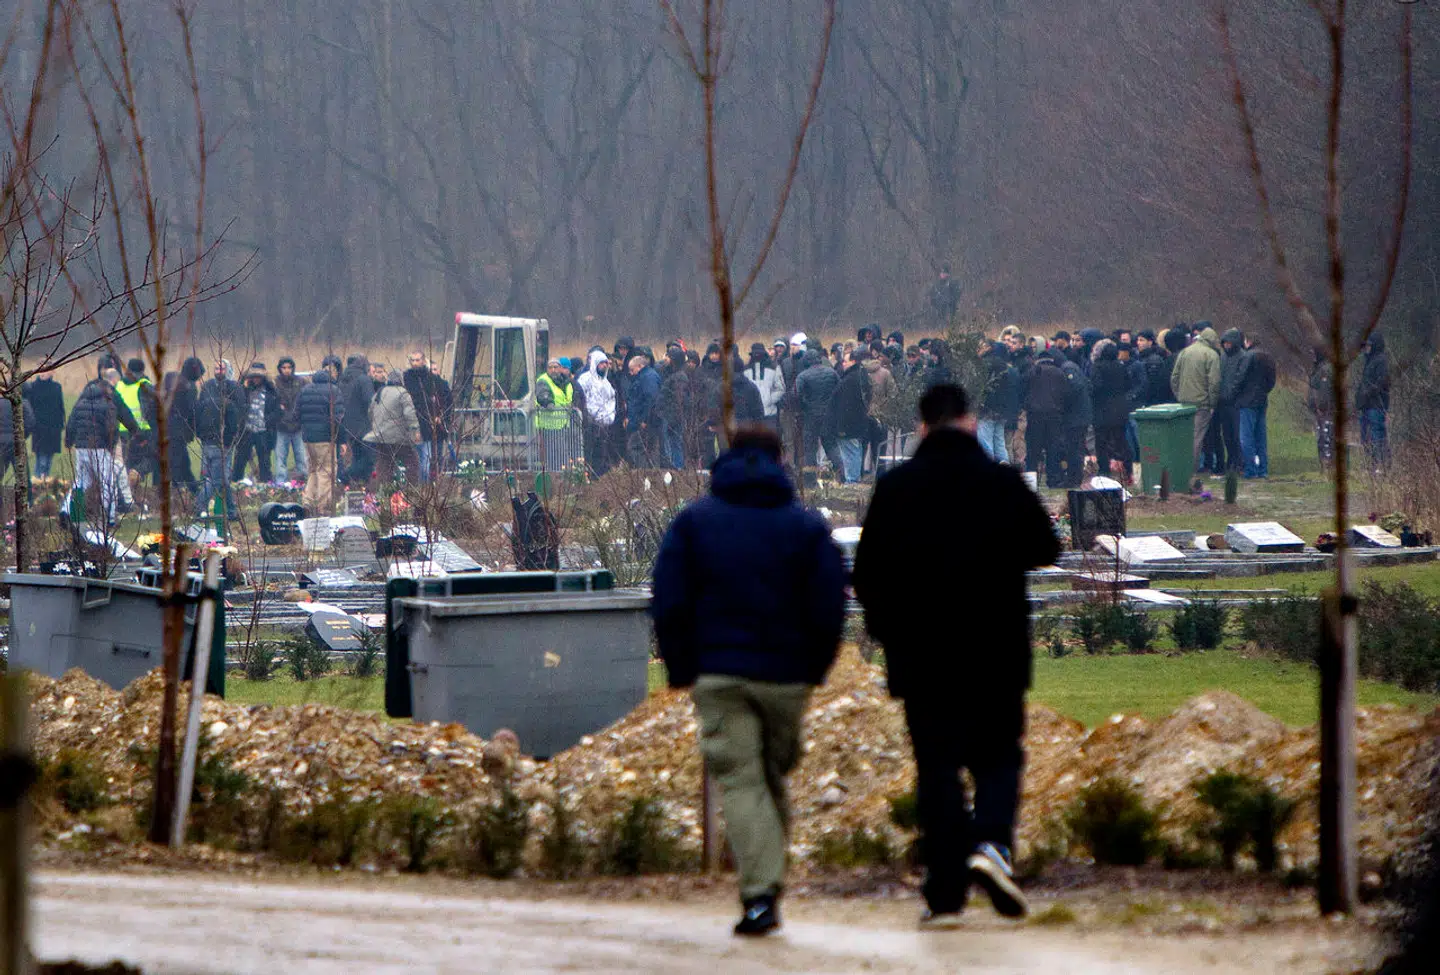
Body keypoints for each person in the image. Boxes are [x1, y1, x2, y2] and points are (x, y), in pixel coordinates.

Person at [854, 383, 1059, 927]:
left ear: (922, 427)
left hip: (923, 654)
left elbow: (867, 572)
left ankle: (944, 892)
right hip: (994, 648)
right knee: (998, 755)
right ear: (970, 422)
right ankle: (991, 843)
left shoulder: (897, 487)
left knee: (938, 769)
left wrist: (887, 630)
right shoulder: (999, 483)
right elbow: (1046, 546)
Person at [651, 424, 844, 936]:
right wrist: (818, 666)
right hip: (787, 675)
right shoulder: (806, 527)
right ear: (781, 461)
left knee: (745, 780)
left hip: (719, 672)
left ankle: (764, 888)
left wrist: (680, 666)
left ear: (726, 458)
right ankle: (762, 891)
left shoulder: (694, 523)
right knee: (765, 774)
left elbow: (669, 600)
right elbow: (829, 604)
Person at [64, 374, 122, 525]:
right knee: (106, 482)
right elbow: (112, 429)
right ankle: (109, 518)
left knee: (81, 481)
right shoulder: (106, 405)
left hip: (81, 449)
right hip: (100, 449)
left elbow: (71, 425)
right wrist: (111, 446)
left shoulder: (79, 404)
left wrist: (69, 443)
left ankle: (67, 510)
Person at [195, 358, 247, 519]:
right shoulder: (207, 387)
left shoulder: (235, 388)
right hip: (211, 441)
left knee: (221, 477)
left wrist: (233, 437)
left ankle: (230, 511)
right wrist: (201, 435)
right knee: (217, 478)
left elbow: (240, 414)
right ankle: (201, 505)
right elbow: (199, 413)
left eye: (222, 369)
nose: (219, 372)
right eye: (216, 369)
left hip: (226, 440)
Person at [1170, 325, 1221, 476]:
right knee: (1196, 439)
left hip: (1184, 402)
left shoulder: (1185, 352)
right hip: (1202, 404)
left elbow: (1174, 378)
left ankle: (1180, 467)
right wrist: (1212, 403)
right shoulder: (1212, 355)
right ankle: (1189, 472)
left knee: (1185, 437)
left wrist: (1179, 395)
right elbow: (1214, 382)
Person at [297, 359, 344, 513]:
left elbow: (297, 414)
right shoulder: (334, 391)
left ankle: (308, 502)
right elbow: (339, 418)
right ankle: (324, 506)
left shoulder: (305, 390)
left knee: (313, 470)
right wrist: (341, 439)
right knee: (326, 471)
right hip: (325, 437)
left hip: (308, 438)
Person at [367, 370, 421, 485]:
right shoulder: (402, 393)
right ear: (401, 380)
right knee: (413, 462)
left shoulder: (379, 392)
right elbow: (409, 413)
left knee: (384, 466)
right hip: (398, 437)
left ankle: (383, 494)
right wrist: (415, 429)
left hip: (380, 436)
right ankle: (411, 492)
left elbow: (370, 412)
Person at [1089, 340, 1132, 482]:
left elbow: (1096, 387)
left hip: (1102, 409)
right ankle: (1128, 469)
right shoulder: (1121, 367)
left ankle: (1104, 470)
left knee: (1101, 442)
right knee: (1121, 440)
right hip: (1120, 408)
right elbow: (1127, 384)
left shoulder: (1097, 366)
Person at [231, 362, 280, 484]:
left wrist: (267, 420)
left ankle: (265, 486)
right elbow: (236, 399)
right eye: (254, 376)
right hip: (246, 431)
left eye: (259, 377)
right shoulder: (244, 390)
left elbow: (278, 411)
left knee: (264, 462)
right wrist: (243, 378)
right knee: (239, 461)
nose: (256, 379)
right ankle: (235, 485)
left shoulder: (271, 391)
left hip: (263, 431)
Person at [1236, 335, 1276, 479]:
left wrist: (1237, 394)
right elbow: (1272, 381)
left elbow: (1239, 378)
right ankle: (1263, 469)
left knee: (1246, 437)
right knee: (1261, 436)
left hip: (1247, 401)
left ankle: (1250, 470)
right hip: (1261, 400)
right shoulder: (1268, 357)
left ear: (1249, 342)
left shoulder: (1248, 357)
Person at [795, 348, 839, 473]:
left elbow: (796, 395)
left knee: (809, 447)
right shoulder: (831, 372)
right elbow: (840, 390)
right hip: (829, 415)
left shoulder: (803, 376)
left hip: (810, 416)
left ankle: (811, 479)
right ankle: (841, 474)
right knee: (831, 445)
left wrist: (804, 406)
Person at [830, 350, 871, 483]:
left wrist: (840, 428)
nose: (842, 363)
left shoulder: (850, 380)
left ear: (853, 362)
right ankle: (854, 480)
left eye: (845, 361)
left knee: (850, 454)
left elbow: (845, 407)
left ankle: (852, 482)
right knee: (855, 452)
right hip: (857, 425)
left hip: (848, 427)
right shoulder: (858, 376)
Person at [117, 358, 159, 486]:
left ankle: (131, 492)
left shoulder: (119, 385)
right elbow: (151, 410)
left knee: (126, 463)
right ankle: (136, 474)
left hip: (120, 433)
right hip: (141, 432)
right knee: (155, 458)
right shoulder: (144, 385)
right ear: (142, 371)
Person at [976, 339, 1018, 464]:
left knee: (985, 443)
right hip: (1003, 410)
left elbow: (980, 388)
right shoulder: (1006, 367)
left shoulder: (984, 364)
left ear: (988, 348)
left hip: (987, 409)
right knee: (999, 442)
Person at [577, 347, 618, 476]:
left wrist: (609, 416)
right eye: (601, 363)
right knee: (590, 451)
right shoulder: (585, 379)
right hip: (590, 423)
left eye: (606, 363)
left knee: (602, 452)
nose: (604, 366)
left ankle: (600, 476)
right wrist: (590, 415)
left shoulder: (606, 383)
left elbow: (611, 400)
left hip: (605, 424)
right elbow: (583, 399)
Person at [167, 357, 205, 494]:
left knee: (183, 461)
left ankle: (193, 489)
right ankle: (180, 490)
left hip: (168, 427)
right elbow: (191, 411)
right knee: (179, 461)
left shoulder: (171, 379)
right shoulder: (189, 388)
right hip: (178, 430)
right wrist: (193, 430)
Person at [1356, 332, 1391, 471]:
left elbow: (1382, 383)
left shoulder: (1381, 361)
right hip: (1366, 406)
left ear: (1375, 345)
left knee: (1378, 436)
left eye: (1369, 345)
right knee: (1365, 438)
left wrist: (1367, 393)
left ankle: (1381, 467)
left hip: (1376, 406)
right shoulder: (1369, 361)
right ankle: (1371, 466)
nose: (1367, 348)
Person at [339, 355, 376, 485]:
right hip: (363, 426)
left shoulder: (344, 379)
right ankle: (344, 476)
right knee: (369, 459)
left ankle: (359, 484)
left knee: (357, 456)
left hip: (348, 425)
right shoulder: (364, 380)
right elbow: (369, 401)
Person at [1216, 329, 1249, 475]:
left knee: (1237, 434)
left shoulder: (1242, 356)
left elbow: (1240, 379)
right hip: (1222, 402)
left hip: (1235, 402)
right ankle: (1231, 461)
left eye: (1229, 343)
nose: (1227, 345)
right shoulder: (1223, 357)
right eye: (1225, 343)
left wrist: (1230, 394)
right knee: (1227, 435)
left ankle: (1240, 462)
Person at [272, 357, 308, 486]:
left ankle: (302, 482)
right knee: (280, 457)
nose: (287, 370)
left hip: (298, 426)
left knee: (301, 457)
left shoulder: (301, 382)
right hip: (281, 427)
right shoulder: (275, 383)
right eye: (284, 368)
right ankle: (281, 483)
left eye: (289, 367)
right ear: (280, 369)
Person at [23, 370, 65, 479]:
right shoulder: (32, 387)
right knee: (41, 460)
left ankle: (44, 484)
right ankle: (38, 483)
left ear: (52, 372)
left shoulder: (57, 387)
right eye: (41, 370)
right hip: (39, 429)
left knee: (49, 460)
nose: (43, 373)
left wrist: (60, 425)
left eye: (46, 370)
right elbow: (28, 408)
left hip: (53, 429)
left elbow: (60, 407)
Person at [625, 349, 661, 467]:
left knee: (634, 447)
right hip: (644, 420)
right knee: (649, 449)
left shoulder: (648, 378)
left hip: (646, 421)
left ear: (640, 366)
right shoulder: (647, 376)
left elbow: (650, 399)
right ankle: (651, 474)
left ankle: (644, 473)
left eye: (632, 370)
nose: (631, 373)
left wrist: (645, 420)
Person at [745, 343, 786, 432]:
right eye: (755, 354)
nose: (757, 356)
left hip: (770, 414)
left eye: (759, 354)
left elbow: (781, 388)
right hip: (752, 414)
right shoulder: (746, 370)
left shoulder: (774, 368)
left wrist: (770, 400)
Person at [1307, 347, 1336, 470]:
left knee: (1326, 437)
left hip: (1325, 412)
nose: (1312, 358)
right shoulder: (1319, 369)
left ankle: (1328, 464)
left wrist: (1322, 408)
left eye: (1314, 355)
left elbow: (1324, 393)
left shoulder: (1325, 370)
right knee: (1322, 437)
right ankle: (1325, 464)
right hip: (1320, 411)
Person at [0, 393, 35, 483]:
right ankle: (27, 497)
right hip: (17, 444)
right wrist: (22, 436)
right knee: (23, 478)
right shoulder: (23, 402)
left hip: (1, 443)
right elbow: (30, 423)